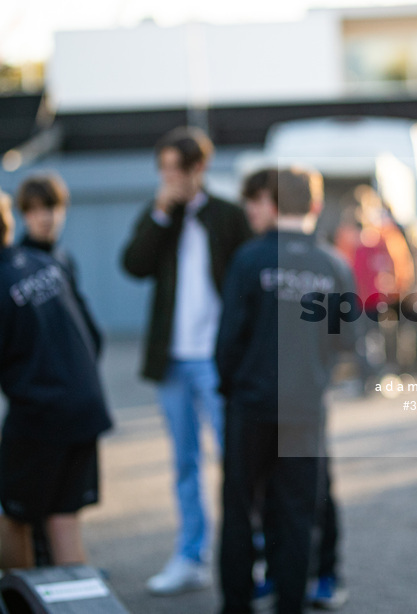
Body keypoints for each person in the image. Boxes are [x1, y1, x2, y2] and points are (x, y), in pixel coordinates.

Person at [216, 167, 357, 614]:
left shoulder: (249, 259)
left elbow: (227, 340)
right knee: (298, 513)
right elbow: (347, 342)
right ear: (315, 207)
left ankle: (237, 603)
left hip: (252, 405)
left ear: (272, 205)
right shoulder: (333, 264)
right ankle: (289, 604)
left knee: (240, 508)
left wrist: (231, 387)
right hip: (304, 408)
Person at [121, 126, 252, 595]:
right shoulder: (161, 215)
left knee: (236, 460)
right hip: (171, 360)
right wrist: (159, 214)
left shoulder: (230, 217)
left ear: (199, 168)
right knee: (184, 463)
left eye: (174, 170)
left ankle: (248, 554)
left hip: (217, 360)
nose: (168, 179)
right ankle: (190, 556)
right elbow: (133, 266)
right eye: (162, 171)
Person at [0, 183, 112, 570]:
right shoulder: (43, 263)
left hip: (41, 420)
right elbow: (93, 338)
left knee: (13, 519)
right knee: (62, 521)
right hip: (86, 410)